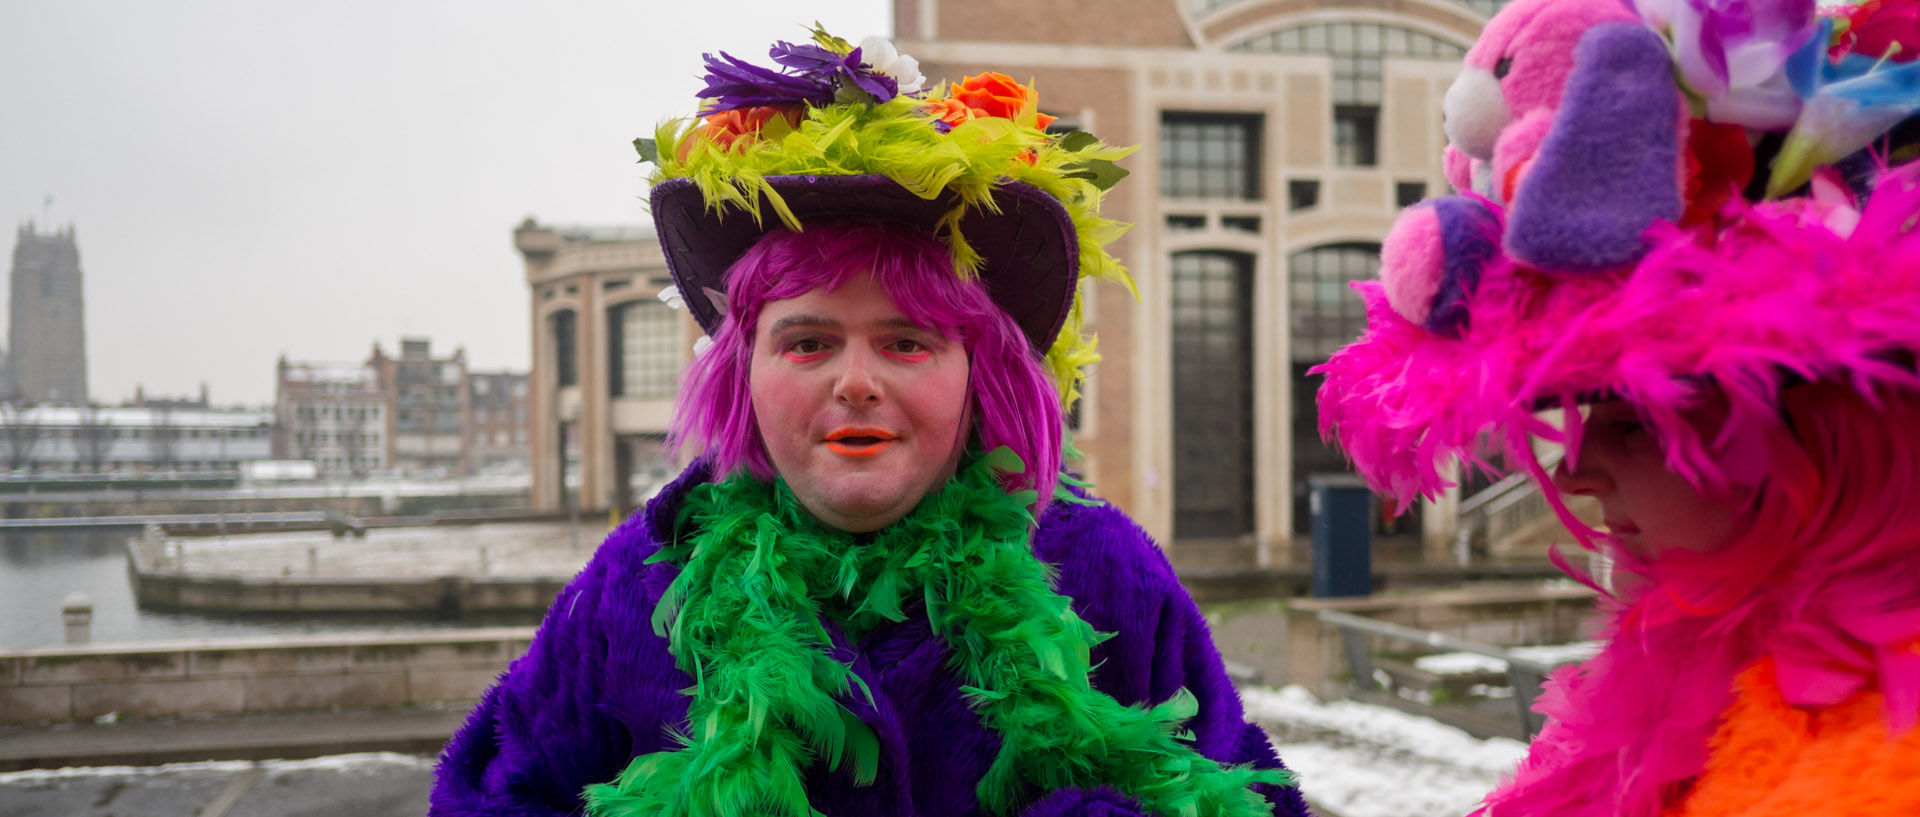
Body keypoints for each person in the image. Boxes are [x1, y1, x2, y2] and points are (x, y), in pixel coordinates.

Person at [430, 28, 1310, 817]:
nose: (857, 382)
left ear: (979, 374)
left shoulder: (1103, 570)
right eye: (809, 342)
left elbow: (1243, 795)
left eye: (908, 342)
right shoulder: (636, 583)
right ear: (745, 374)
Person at [1313, 0, 1920, 814]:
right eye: (1586, 412)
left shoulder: (1874, 762)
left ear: (1825, 435)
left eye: (1638, 418)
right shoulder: (1665, 688)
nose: (1581, 466)